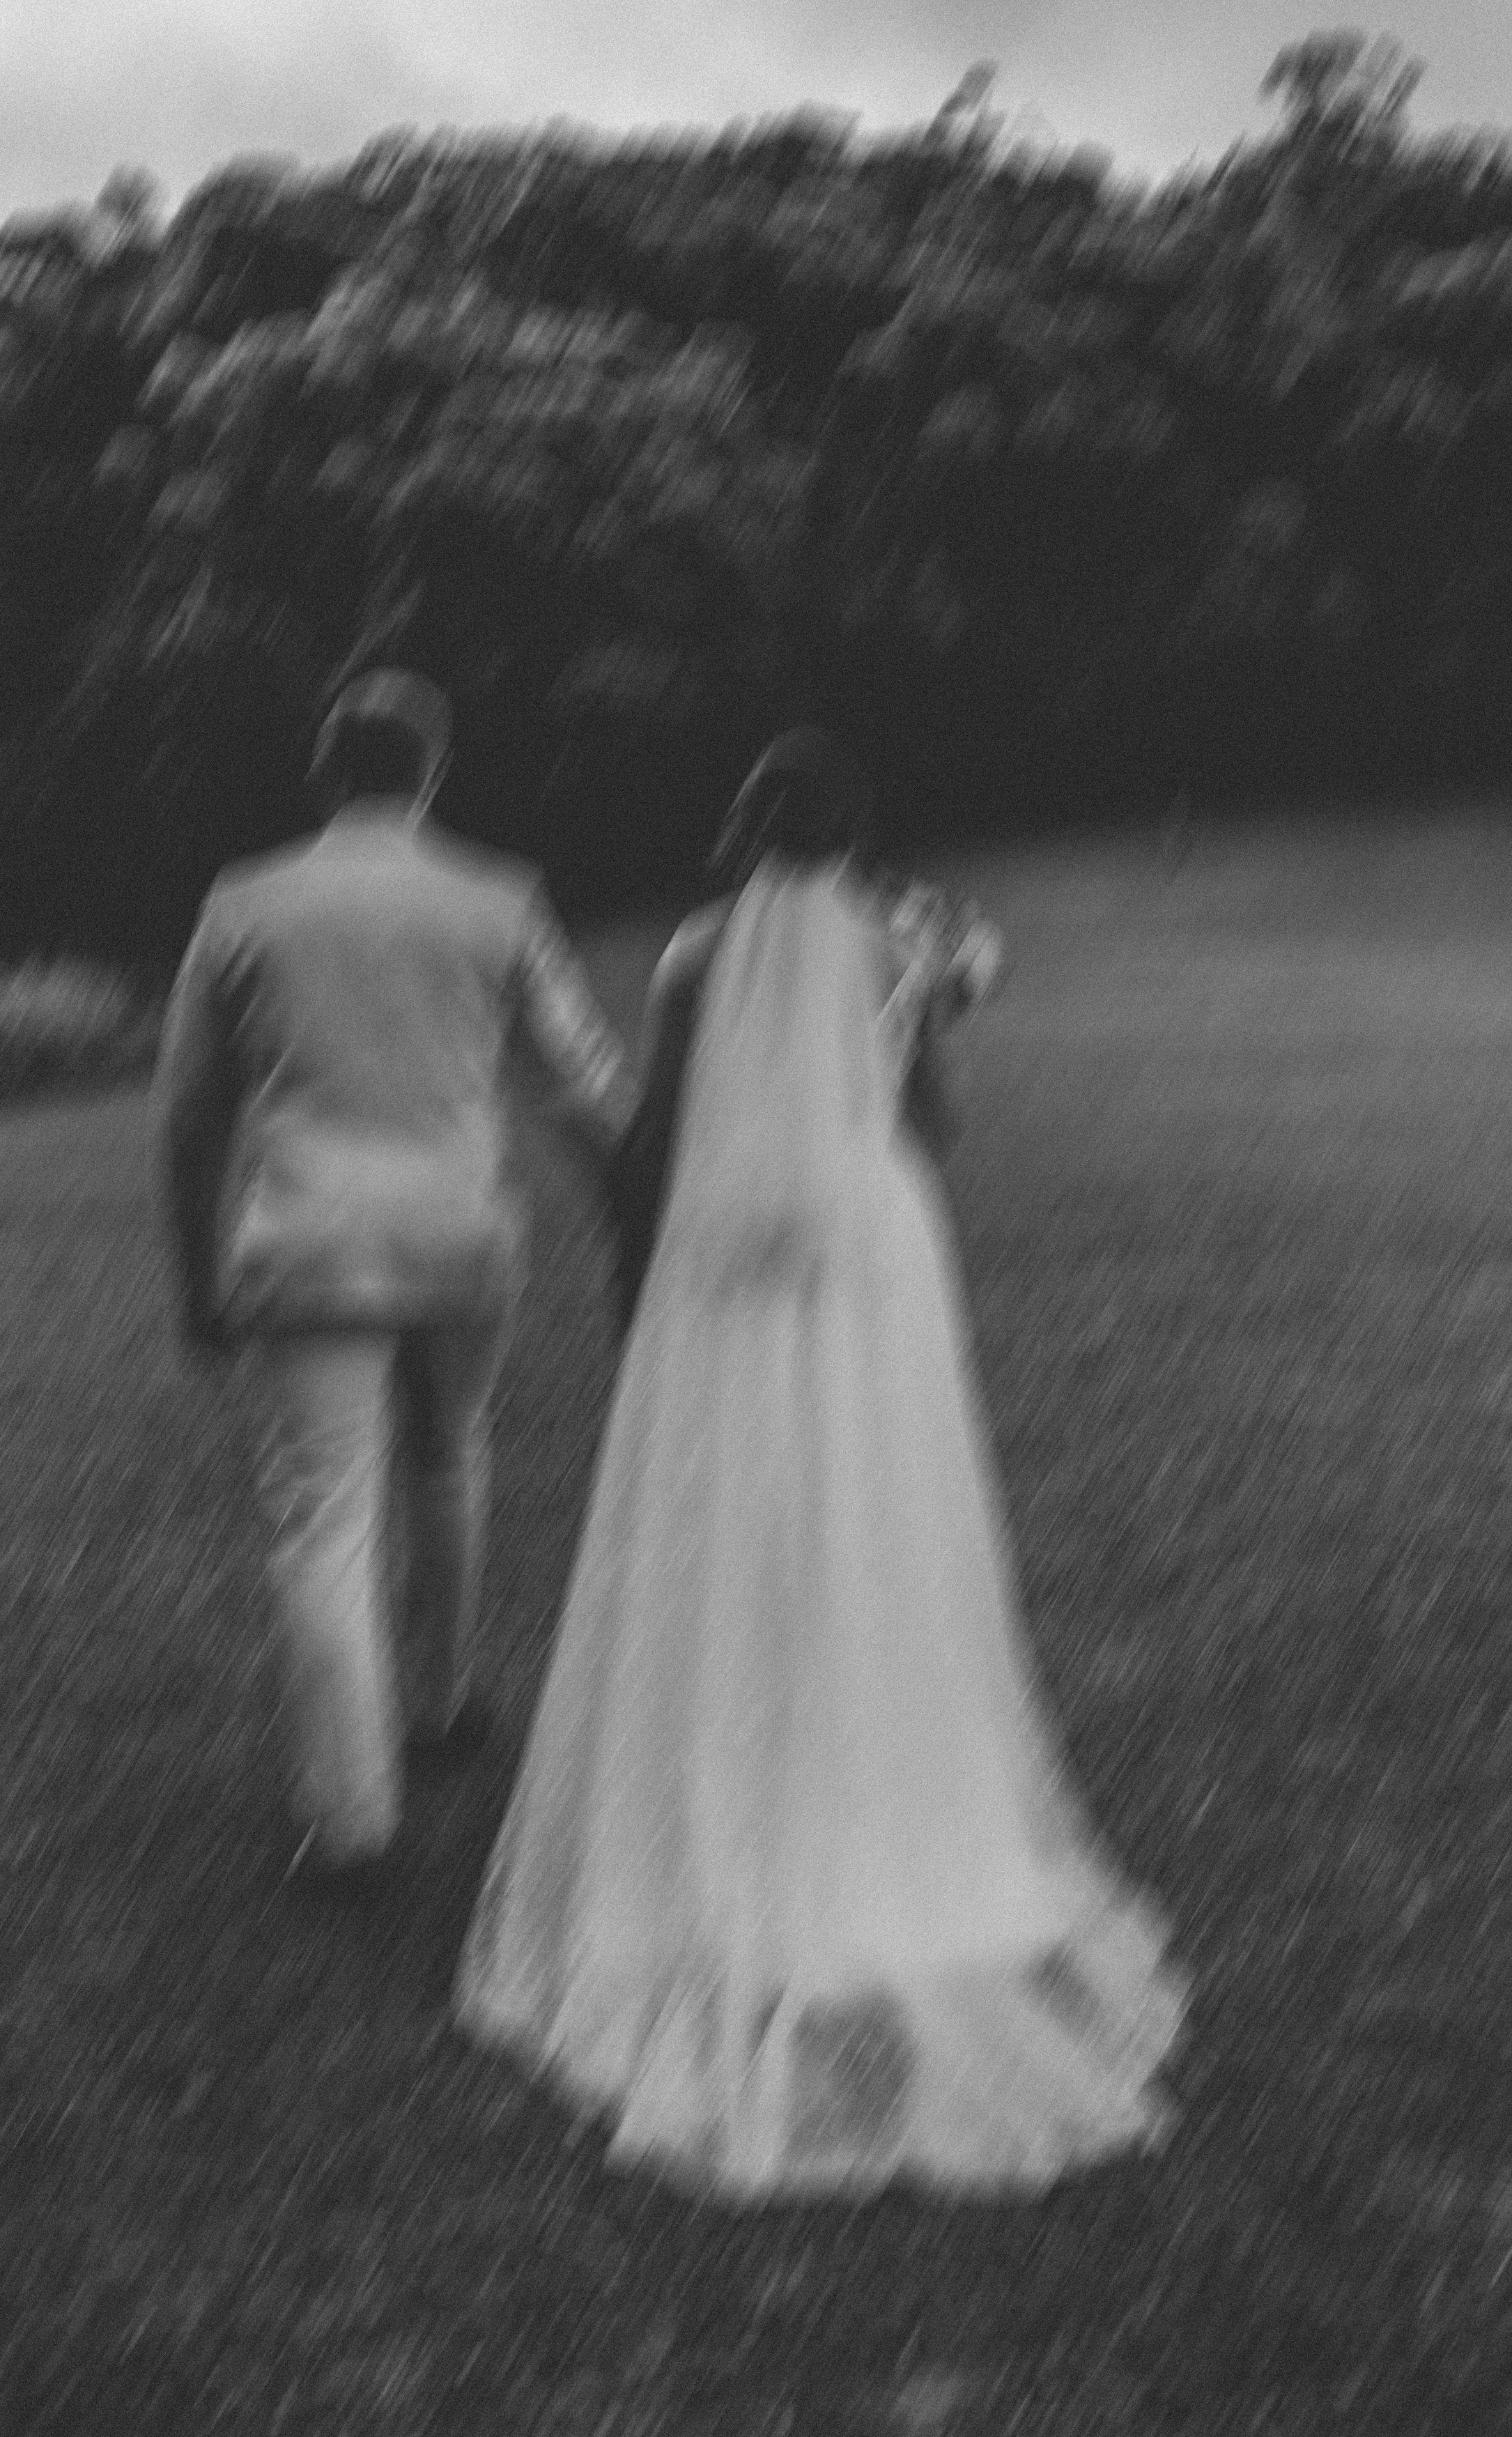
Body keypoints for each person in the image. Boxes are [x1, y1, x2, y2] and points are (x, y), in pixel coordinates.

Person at [455, 730, 1185, 2199]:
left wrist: (633, 1263)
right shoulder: (890, 945)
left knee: (725, 1523)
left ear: (742, 831)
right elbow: (931, 1125)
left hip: (721, 1275)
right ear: (856, 838)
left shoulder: (689, 955)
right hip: (870, 1263)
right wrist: (934, 1018)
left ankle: (710, 1819)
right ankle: (892, 1805)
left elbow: (656, 1140)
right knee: (880, 1511)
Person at [151, 670, 635, 1872]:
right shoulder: (499, 899)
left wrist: (194, 1276)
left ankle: (353, 1814)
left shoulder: (246, 902)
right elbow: (584, 1089)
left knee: (324, 1518)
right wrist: (650, 1198)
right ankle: (445, 1698)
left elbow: (186, 1112)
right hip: (460, 1235)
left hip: (308, 1242)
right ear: (432, 770)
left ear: (326, 772)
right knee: (450, 1451)